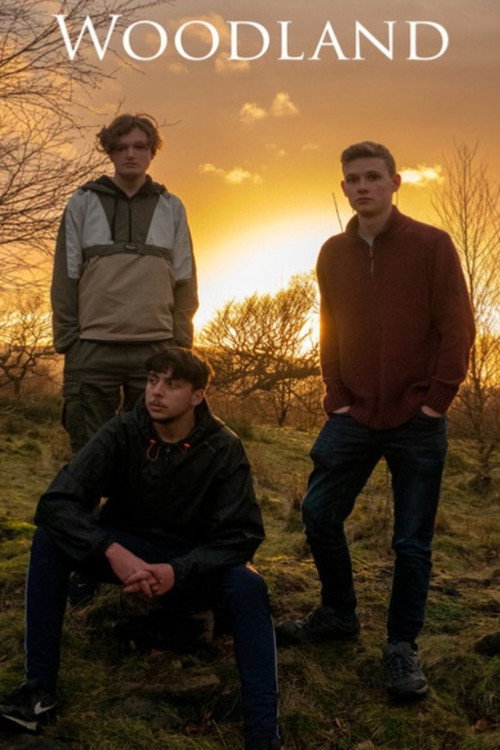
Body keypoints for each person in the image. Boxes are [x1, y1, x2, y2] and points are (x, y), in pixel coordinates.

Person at [0, 348, 281, 750]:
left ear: (197, 396)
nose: (156, 392)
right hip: (126, 552)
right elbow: (56, 503)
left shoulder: (223, 447)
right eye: (152, 380)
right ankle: (38, 692)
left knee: (250, 586)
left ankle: (263, 735)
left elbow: (242, 536)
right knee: (50, 537)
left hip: (191, 563)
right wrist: (111, 549)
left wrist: (177, 571)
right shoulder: (123, 431)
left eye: (172, 384)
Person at [276, 142, 475, 700]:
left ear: (394, 183)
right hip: (354, 414)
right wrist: (335, 392)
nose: (362, 186)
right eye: (353, 179)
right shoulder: (332, 253)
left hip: (418, 416)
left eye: (372, 177)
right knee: (318, 513)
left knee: (411, 542)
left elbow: (458, 326)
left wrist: (436, 400)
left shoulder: (432, 245)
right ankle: (338, 614)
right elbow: (329, 324)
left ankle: (401, 648)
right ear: (344, 188)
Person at [51, 113, 198, 456]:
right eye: (121, 147)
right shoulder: (82, 202)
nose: (130, 154)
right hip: (92, 348)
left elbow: (186, 279)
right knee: (88, 455)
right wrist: (70, 340)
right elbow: (65, 276)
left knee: (151, 453)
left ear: (152, 152)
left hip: (156, 350)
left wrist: (179, 343)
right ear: (110, 152)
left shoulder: (171, 206)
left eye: (139, 146)